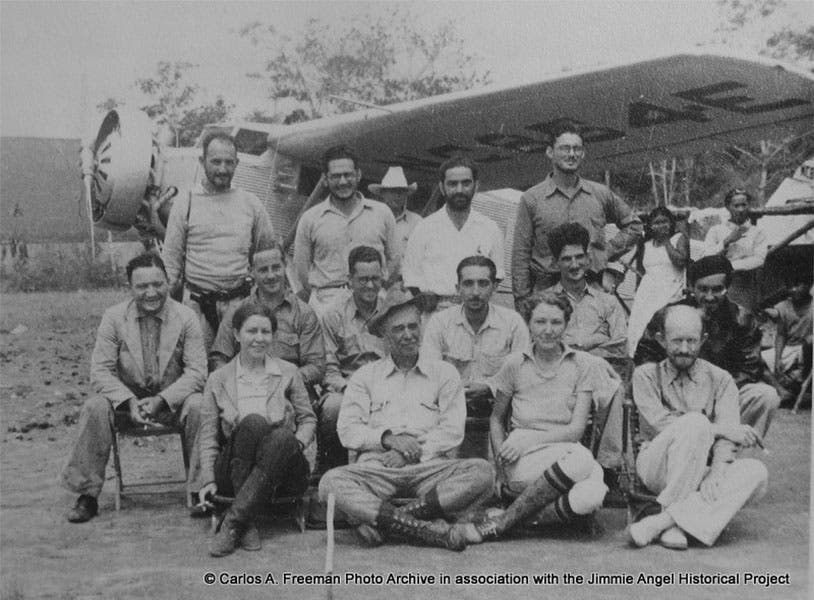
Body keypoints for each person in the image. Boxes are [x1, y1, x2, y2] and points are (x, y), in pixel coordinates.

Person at [318, 288, 495, 551]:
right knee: (329, 483)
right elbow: (348, 430)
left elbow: (452, 430)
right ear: (384, 334)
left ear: (421, 326)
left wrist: (412, 453)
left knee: (483, 472)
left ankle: (388, 522)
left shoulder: (444, 373)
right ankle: (426, 529)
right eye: (398, 329)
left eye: (413, 326)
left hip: (430, 469)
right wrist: (388, 440)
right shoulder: (365, 376)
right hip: (378, 467)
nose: (408, 335)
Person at [61, 253, 206, 522]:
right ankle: (87, 494)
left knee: (199, 405)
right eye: (142, 286)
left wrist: (162, 400)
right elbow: (100, 371)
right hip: (127, 405)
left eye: (158, 284)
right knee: (95, 406)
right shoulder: (114, 317)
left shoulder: (186, 317)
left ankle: (201, 490)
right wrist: (128, 401)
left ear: (168, 282)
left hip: (172, 403)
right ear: (130, 287)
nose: (151, 293)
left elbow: (197, 372)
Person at [465, 292, 615, 542]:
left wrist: (529, 440)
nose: (548, 330)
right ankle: (517, 517)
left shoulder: (582, 365)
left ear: (566, 324)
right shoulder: (514, 363)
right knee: (586, 463)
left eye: (556, 322)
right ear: (529, 324)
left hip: (565, 452)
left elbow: (576, 430)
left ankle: (507, 521)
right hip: (520, 457)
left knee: (593, 494)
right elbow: (496, 419)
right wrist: (501, 466)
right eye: (540, 322)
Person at [628, 305, 768, 550]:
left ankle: (665, 523)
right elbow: (660, 423)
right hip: (656, 467)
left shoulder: (721, 379)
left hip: (702, 467)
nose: (684, 348)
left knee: (757, 472)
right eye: (677, 341)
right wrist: (719, 429)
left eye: (691, 341)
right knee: (695, 422)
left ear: (703, 340)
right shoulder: (646, 376)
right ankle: (683, 520)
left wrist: (717, 471)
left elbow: (728, 437)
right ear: (661, 340)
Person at [199, 303, 316, 557]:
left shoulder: (288, 372)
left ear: (273, 335)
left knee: (283, 436)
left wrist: (295, 444)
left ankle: (234, 522)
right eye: (252, 331)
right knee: (253, 423)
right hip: (234, 469)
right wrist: (208, 479)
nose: (259, 338)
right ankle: (246, 518)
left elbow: (307, 419)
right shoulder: (218, 379)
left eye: (266, 332)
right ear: (236, 334)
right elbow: (208, 435)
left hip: (284, 472)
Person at [635, 255, 780, 439]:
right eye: (703, 289)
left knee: (765, 395)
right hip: (677, 394)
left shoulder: (742, 319)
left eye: (717, 289)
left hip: (725, 395)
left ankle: (733, 447)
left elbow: (749, 370)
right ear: (691, 287)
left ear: (727, 287)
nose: (710, 297)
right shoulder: (669, 314)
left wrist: (713, 395)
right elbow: (645, 355)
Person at [162, 133, 275, 348]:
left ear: (237, 163)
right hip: (196, 307)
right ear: (202, 161)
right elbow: (171, 263)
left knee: (241, 364)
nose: (222, 169)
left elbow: (267, 253)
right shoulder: (186, 202)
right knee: (196, 364)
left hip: (239, 305)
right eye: (215, 162)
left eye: (228, 162)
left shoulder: (251, 203)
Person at [510, 120, 640, 307]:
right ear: (550, 152)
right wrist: (522, 299)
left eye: (576, 149)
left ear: (583, 153)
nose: (571, 154)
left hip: (591, 290)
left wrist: (607, 251)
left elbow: (634, 226)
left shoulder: (600, 194)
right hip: (547, 293)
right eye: (564, 148)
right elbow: (520, 254)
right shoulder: (531, 198)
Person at [293, 145, 397, 316]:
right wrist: (321, 303)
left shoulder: (382, 213)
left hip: (373, 304)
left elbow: (394, 259)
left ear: (358, 175)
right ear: (325, 179)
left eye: (348, 175)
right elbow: (302, 269)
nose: (342, 182)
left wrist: (377, 287)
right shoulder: (310, 218)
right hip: (326, 304)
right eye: (335, 176)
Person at [421, 256, 529, 418]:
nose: (475, 292)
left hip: (500, 410)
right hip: (449, 409)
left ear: (494, 287)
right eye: (468, 284)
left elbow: (522, 373)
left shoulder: (513, 322)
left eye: (483, 283)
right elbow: (429, 372)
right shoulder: (440, 322)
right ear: (458, 288)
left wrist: (489, 387)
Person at [209, 242, 325, 390]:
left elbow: (316, 366)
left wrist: (281, 382)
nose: (271, 275)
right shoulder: (236, 312)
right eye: (263, 270)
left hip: (289, 392)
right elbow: (219, 359)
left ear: (285, 266)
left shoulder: (304, 314)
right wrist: (239, 383)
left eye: (276, 268)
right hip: (245, 391)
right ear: (251, 271)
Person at [402, 155, 504, 313]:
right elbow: (410, 277)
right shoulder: (424, 228)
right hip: (435, 312)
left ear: (476, 186)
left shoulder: (490, 228)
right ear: (442, 187)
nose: (459, 190)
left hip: (477, 312)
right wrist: (432, 304)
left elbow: (497, 275)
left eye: (466, 183)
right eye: (452, 184)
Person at [318, 245, 388, 471]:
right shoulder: (333, 315)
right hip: (346, 387)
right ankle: (331, 470)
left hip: (387, 386)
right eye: (363, 279)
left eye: (375, 278)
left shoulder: (392, 312)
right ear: (350, 280)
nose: (370, 285)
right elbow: (328, 368)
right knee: (333, 408)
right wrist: (351, 389)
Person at [545, 222, 627, 359]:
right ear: (555, 263)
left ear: (588, 259)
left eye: (579, 257)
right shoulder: (544, 303)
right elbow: (542, 350)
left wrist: (574, 350)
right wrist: (598, 340)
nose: (574, 265)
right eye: (566, 259)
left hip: (600, 371)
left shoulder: (609, 303)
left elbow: (620, 348)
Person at [627, 207, 689, 356]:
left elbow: (681, 261)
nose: (661, 226)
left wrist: (666, 241)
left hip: (671, 289)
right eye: (657, 223)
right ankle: (638, 356)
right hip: (647, 292)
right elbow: (641, 270)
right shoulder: (646, 244)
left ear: (671, 223)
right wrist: (637, 291)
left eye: (664, 222)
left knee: (660, 325)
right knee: (638, 328)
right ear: (650, 226)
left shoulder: (678, 238)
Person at [703, 188, 767, 309]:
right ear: (728, 207)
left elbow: (759, 259)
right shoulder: (716, 230)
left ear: (749, 205)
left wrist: (729, 266)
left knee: (743, 316)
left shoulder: (757, 232)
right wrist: (727, 241)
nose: (741, 209)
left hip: (745, 286)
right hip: (717, 285)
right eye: (736, 206)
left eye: (744, 205)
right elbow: (706, 256)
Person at [368, 166, 423, 282]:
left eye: (401, 191)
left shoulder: (417, 222)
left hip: (408, 282)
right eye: (392, 191)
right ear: (383, 193)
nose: (397, 196)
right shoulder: (371, 220)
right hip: (376, 282)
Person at [762, 278, 813, 403]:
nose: (793, 290)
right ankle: (782, 390)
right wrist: (777, 358)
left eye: (797, 285)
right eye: (790, 286)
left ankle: (800, 380)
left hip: (808, 349)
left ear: (808, 285)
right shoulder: (784, 306)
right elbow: (781, 335)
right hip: (790, 348)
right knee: (758, 359)